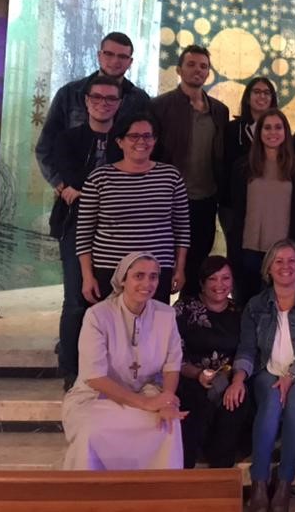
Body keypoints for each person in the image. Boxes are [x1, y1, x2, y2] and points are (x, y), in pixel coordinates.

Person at [226, 239, 295, 512]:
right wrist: (238, 378)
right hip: (266, 371)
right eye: (279, 261)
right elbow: (247, 348)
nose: (285, 266)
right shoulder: (255, 305)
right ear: (269, 268)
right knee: (270, 405)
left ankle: (284, 483)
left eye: (291, 260)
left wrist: (291, 377)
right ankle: (259, 483)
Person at [62, 252, 186, 470]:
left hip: (147, 391)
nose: (147, 283)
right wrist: (145, 404)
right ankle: (93, 490)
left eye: (153, 277)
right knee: (91, 432)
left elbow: (172, 366)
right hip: (96, 397)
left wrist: (166, 400)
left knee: (168, 425)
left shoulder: (166, 315)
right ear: (122, 280)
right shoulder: (97, 315)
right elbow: (95, 378)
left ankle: (158, 490)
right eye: (139, 276)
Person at [49, 75, 124, 390]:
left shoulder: (125, 140)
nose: (103, 103)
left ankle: (106, 367)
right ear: (86, 101)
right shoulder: (68, 139)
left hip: (116, 230)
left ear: (119, 104)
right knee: (76, 299)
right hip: (75, 224)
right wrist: (81, 186)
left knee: (110, 299)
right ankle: (71, 369)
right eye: (97, 97)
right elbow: (72, 175)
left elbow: (124, 182)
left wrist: (85, 190)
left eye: (110, 98)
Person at [76, 114, 189, 304]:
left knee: (154, 321)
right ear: (120, 141)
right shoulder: (99, 178)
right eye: (134, 136)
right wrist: (87, 276)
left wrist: (180, 269)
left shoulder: (171, 176)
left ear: (155, 140)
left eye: (147, 136)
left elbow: (182, 228)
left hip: (156, 270)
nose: (141, 141)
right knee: (110, 322)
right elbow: (84, 233)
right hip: (110, 269)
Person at [150, 45, 230, 296]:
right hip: (169, 200)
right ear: (179, 69)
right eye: (191, 64)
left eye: (203, 66)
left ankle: (189, 316)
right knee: (161, 265)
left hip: (205, 200)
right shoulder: (160, 107)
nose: (198, 70)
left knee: (197, 267)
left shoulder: (219, 111)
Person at [36, 31, 150, 191]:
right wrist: (60, 183)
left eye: (122, 56)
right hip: (74, 190)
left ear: (130, 62)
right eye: (109, 54)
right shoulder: (70, 93)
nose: (115, 61)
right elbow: (46, 145)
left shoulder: (139, 99)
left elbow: (148, 146)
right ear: (99, 55)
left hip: (122, 191)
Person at [228, 110, 295, 309]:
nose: (272, 132)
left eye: (278, 127)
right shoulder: (242, 167)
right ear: (259, 133)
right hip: (249, 250)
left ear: (286, 132)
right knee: (247, 307)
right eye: (267, 128)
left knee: (279, 309)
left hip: (283, 254)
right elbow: (235, 211)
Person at [174, 256, 251, 469]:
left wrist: (233, 379)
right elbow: (173, 353)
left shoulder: (240, 312)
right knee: (192, 401)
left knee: (236, 401)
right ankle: (185, 471)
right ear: (202, 282)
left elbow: (245, 351)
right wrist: (198, 374)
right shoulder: (184, 308)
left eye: (225, 278)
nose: (220, 284)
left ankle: (220, 472)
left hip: (227, 377)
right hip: (189, 376)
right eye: (213, 278)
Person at [221, 78, 278, 232]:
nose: (262, 96)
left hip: (267, 203)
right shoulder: (232, 129)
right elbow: (224, 164)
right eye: (257, 92)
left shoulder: (278, 131)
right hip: (234, 204)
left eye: (267, 93)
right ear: (248, 97)